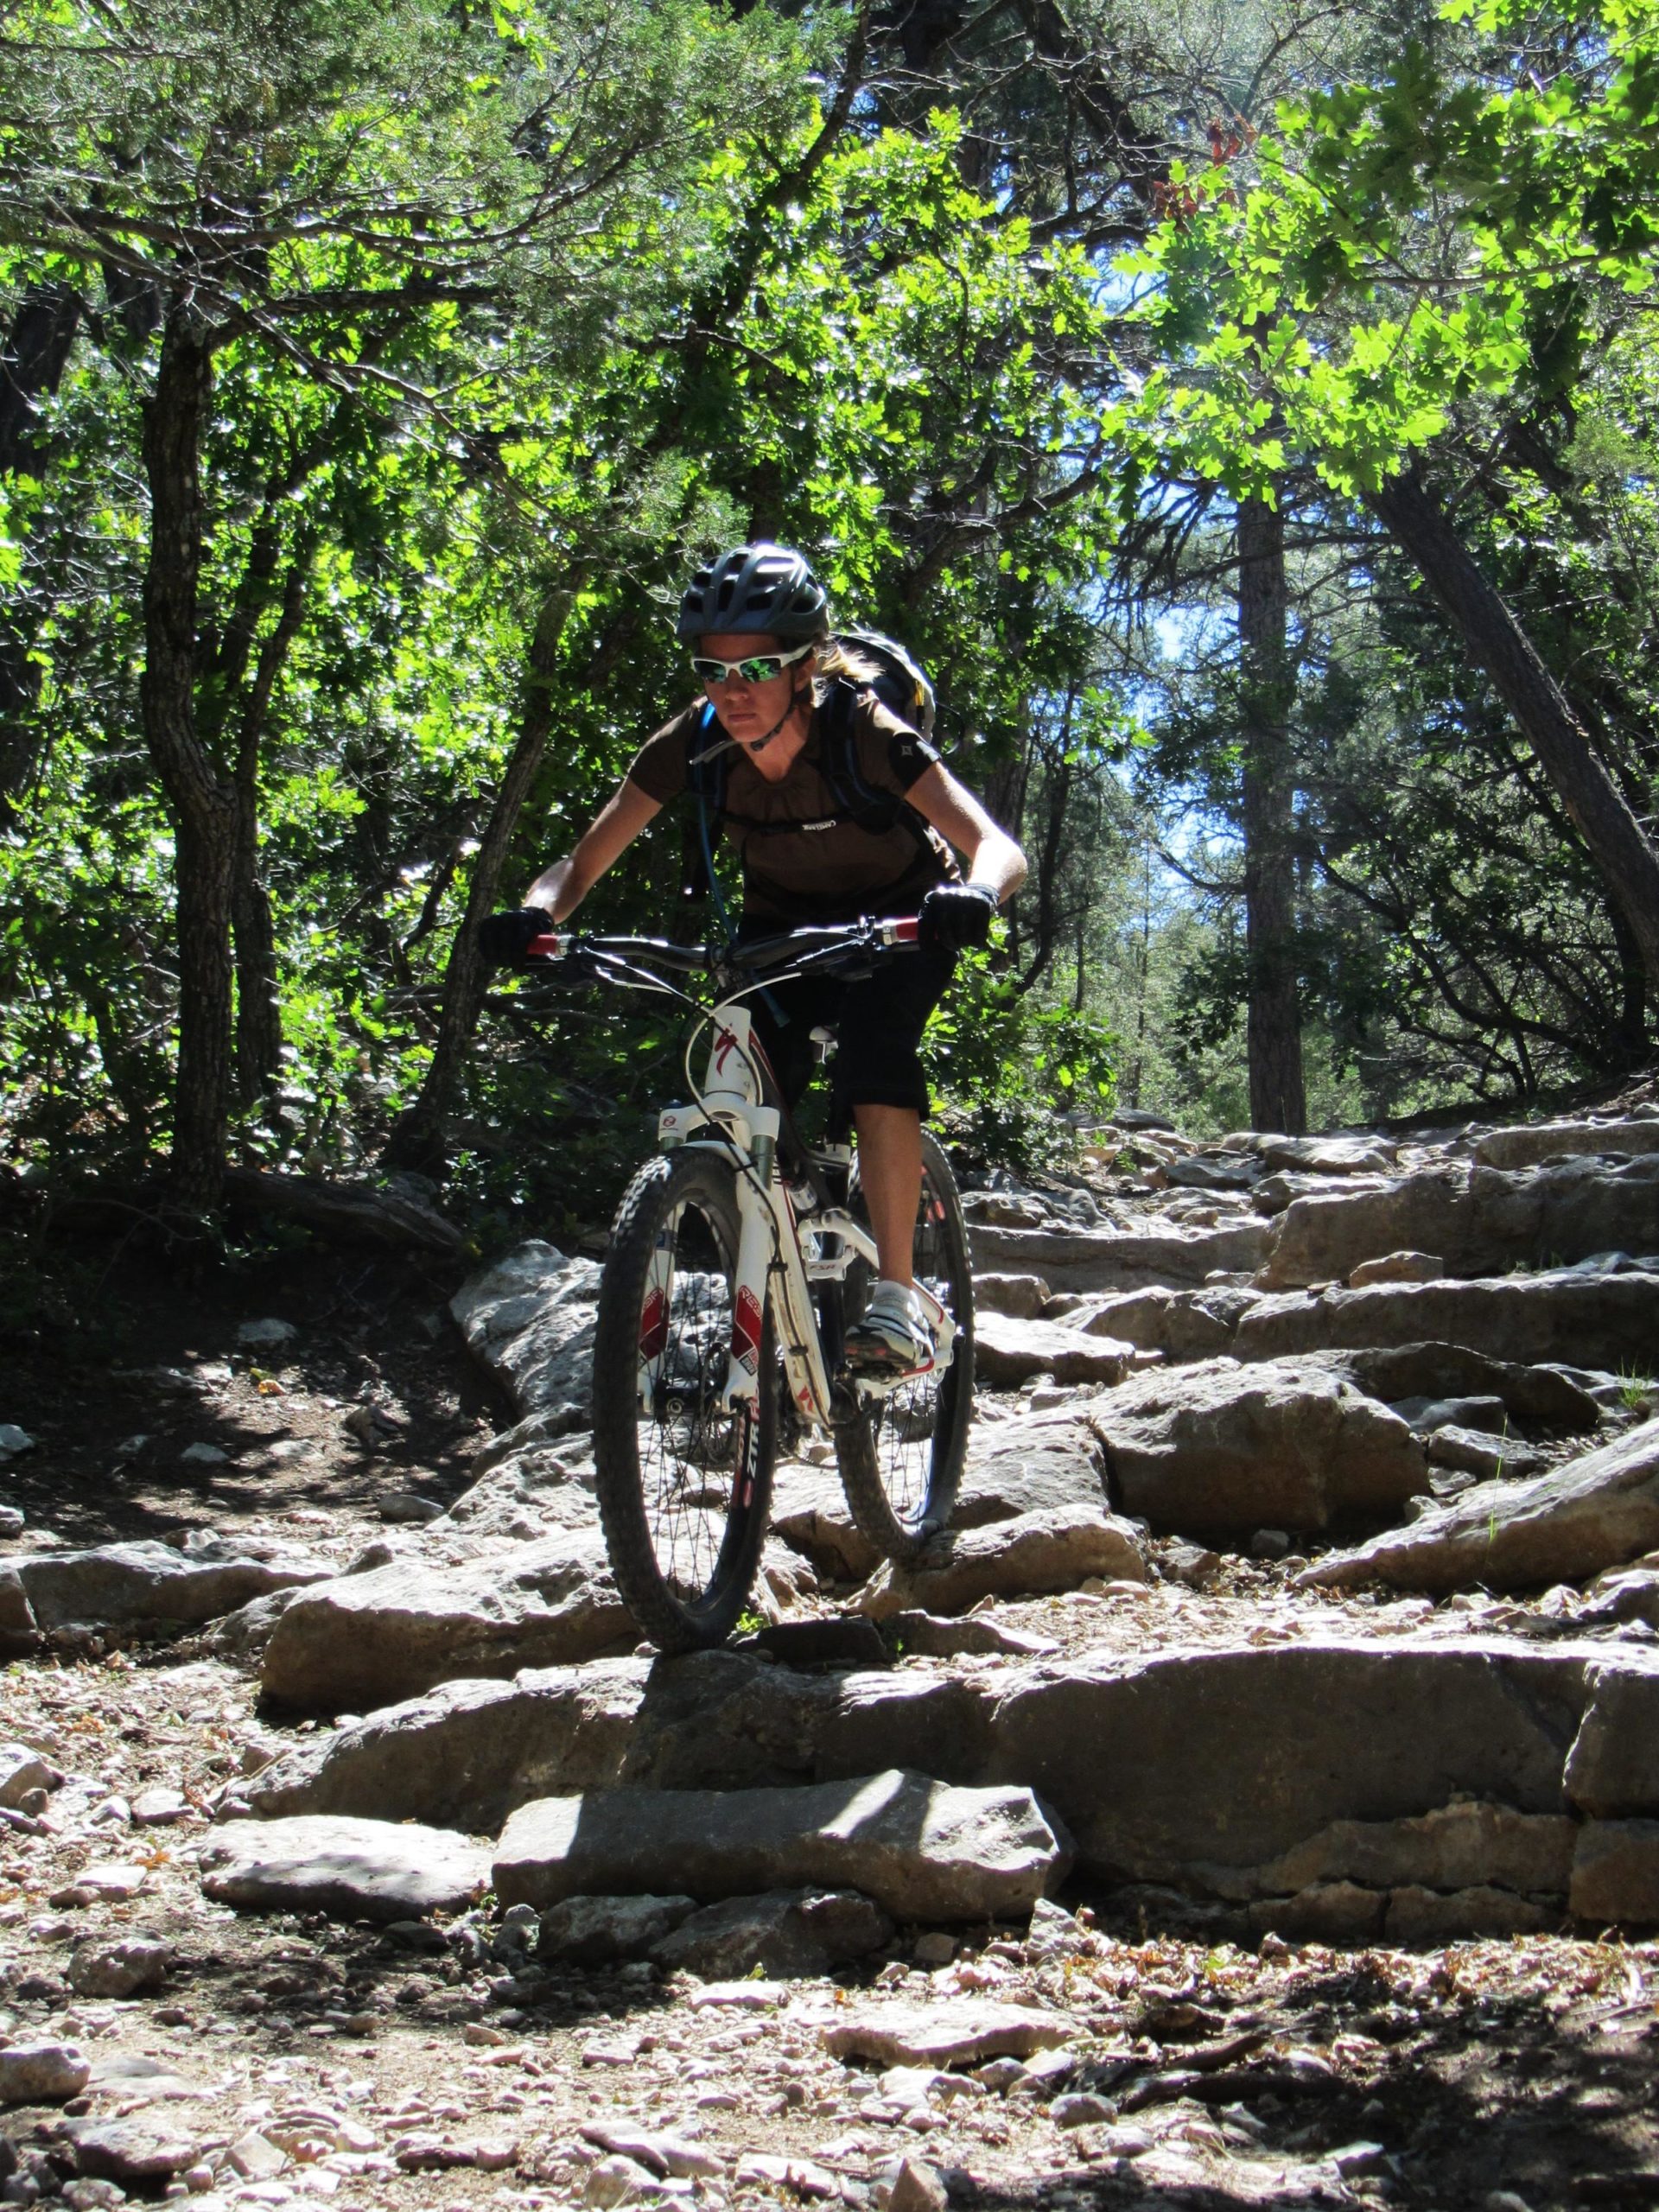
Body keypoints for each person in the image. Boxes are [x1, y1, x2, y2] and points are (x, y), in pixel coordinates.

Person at [483, 543, 1027, 1374]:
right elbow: (581, 865)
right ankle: (766, 1285)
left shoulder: (863, 730)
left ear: (806, 664)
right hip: (784, 928)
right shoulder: (692, 743)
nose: (732, 692)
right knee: (735, 1084)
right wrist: (534, 913)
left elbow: (993, 844)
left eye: (758, 668)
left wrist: (976, 895)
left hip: (904, 918)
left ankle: (895, 1300)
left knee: (877, 1061)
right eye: (712, 670)